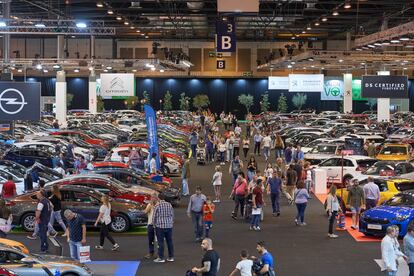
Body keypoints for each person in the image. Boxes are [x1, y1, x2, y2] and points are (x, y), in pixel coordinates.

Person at [153, 194, 175, 263]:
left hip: (160, 226)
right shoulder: (169, 205)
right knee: (170, 242)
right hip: (169, 226)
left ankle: (161, 258)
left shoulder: (157, 206)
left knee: (160, 242)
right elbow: (172, 215)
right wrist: (171, 223)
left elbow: (154, 217)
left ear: (158, 198)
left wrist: (154, 225)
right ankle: (171, 257)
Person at [144, 193, 158, 259]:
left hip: (158, 225)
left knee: (158, 240)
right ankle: (151, 252)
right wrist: (149, 207)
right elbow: (145, 212)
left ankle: (159, 253)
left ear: (157, 198)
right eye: (152, 197)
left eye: (154, 197)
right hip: (150, 224)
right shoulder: (149, 205)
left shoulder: (159, 205)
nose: (153, 199)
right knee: (151, 240)